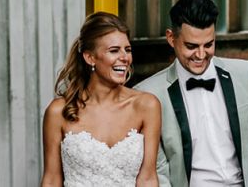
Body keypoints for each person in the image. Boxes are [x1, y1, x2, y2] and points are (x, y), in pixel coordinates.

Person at [135, 0, 248, 187]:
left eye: (208, 45)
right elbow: (158, 172)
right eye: (191, 46)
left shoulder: (246, 74)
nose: (201, 55)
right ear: (171, 38)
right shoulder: (148, 94)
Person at [40, 11, 162, 187]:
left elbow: (148, 178)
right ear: (90, 57)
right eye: (114, 50)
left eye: (127, 50)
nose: (125, 58)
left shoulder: (147, 106)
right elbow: (51, 180)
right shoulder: (59, 111)